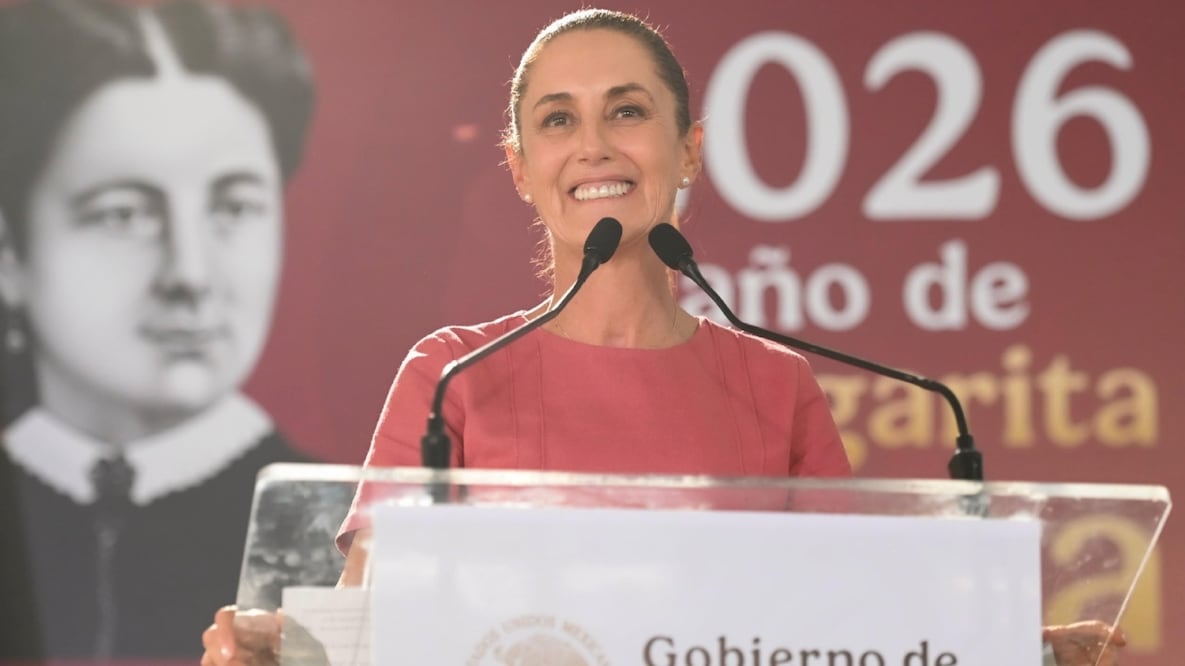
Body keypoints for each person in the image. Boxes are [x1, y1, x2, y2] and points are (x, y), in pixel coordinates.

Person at [199, 9, 1126, 666]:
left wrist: (1023, 653)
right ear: (521, 169)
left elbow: (859, 633)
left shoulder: (776, 384)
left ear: (687, 150)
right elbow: (370, 625)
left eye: (628, 111)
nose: (593, 146)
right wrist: (285, 651)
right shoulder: (450, 378)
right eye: (558, 120)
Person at [0, 0, 315, 660]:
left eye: (233, 206)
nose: (191, 274)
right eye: (123, 214)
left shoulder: (332, 535)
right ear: (10, 251)